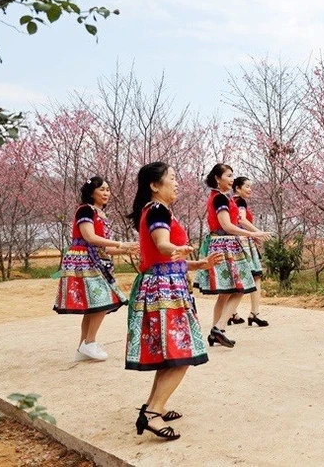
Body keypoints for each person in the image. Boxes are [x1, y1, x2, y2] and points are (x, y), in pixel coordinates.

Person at [126, 162, 224, 440]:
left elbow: (167, 256)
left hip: (165, 286)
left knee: (171, 354)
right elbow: (162, 246)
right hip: (164, 291)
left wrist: (200, 264)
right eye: (172, 178)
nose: (177, 182)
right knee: (181, 354)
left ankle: (153, 406)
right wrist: (177, 248)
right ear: (155, 186)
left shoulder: (157, 210)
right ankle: (152, 414)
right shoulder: (156, 210)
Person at [53, 176, 138, 361]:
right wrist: (121, 243)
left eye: (108, 189)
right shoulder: (85, 210)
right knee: (102, 301)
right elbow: (89, 237)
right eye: (102, 189)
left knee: (94, 306)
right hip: (84, 261)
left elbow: (104, 247)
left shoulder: (100, 213)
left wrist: (127, 248)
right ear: (91, 192)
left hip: (97, 260)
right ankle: (89, 343)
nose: (106, 193)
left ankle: (83, 347)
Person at [194, 163, 263, 348]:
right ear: (218, 178)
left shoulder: (220, 197)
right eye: (229, 175)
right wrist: (253, 234)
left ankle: (217, 330)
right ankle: (219, 328)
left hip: (223, 243)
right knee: (241, 288)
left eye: (233, 176)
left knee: (225, 294)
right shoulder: (220, 199)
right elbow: (227, 225)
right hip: (225, 245)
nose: (232, 179)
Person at [229, 176, 272, 327]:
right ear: (237, 188)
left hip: (236, 240)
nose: (249, 189)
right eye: (246, 186)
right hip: (244, 242)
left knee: (241, 278)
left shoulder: (230, 201)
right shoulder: (240, 201)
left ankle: (232, 313)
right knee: (255, 276)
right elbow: (241, 220)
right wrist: (258, 232)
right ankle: (254, 313)